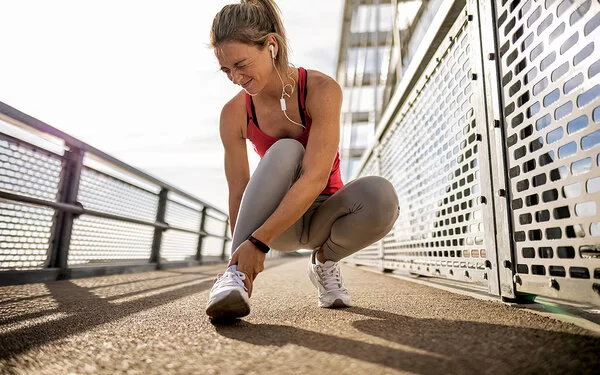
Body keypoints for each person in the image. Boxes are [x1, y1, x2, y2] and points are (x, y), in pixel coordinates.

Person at [206, 0, 400, 320]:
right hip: (279, 223)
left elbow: (314, 178)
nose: (235, 78)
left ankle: (324, 262)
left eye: (241, 64)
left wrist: (257, 243)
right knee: (286, 150)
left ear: (271, 45)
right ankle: (234, 278)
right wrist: (242, 253)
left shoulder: (321, 89)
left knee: (381, 195)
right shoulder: (234, 114)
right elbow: (239, 192)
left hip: (327, 214)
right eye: (226, 70)